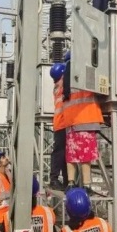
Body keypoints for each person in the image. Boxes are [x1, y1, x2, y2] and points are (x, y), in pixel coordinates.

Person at [62, 51, 104, 194]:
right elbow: (100, 90)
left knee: (72, 155)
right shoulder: (86, 74)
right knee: (86, 156)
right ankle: (86, 185)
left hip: (71, 123)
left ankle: (71, 183)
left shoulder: (65, 80)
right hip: (86, 119)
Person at [50, 62, 68, 191]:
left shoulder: (57, 86)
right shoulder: (62, 84)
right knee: (60, 153)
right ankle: (55, 179)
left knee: (63, 153)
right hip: (63, 122)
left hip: (60, 123)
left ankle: (66, 180)